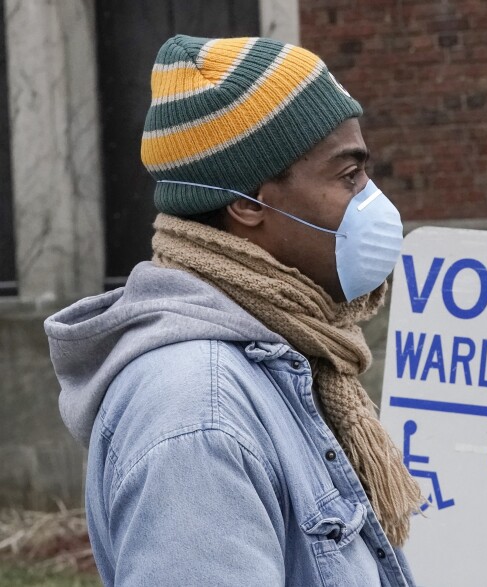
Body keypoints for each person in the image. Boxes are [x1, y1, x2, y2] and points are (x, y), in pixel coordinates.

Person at [44, 34, 422, 586]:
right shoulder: (198, 413)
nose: (373, 198)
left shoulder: (283, 357)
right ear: (246, 202)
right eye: (348, 175)